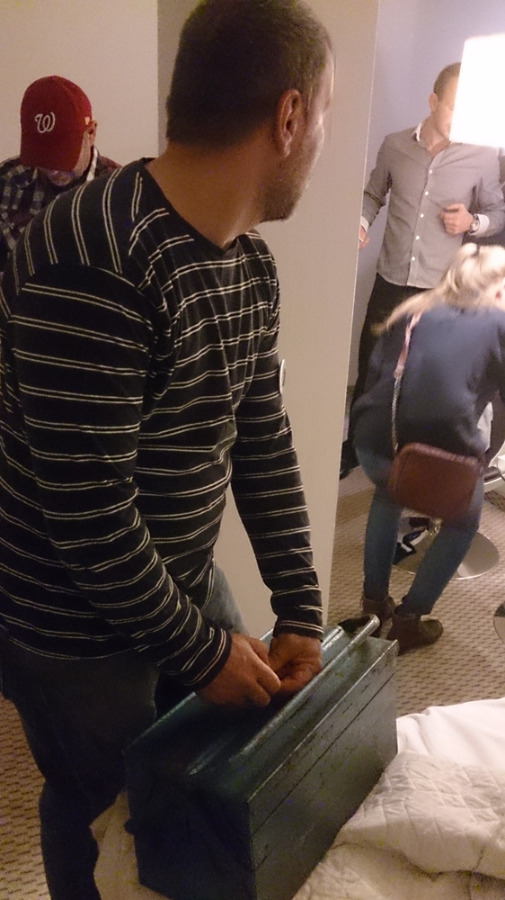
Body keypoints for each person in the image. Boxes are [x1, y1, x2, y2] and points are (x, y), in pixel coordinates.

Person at [0, 1, 333, 898]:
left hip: (174, 579)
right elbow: (88, 515)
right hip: (69, 627)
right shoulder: (92, 252)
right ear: (289, 115)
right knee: (103, 808)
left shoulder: (248, 265)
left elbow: (260, 440)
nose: (321, 141)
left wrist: (301, 610)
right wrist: (202, 652)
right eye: (325, 115)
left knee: (191, 787)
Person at [340, 62, 505, 479]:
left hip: (439, 290)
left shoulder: (484, 155)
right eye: (453, 107)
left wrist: (471, 222)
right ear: (433, 102)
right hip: (391, 278)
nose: (461, 118)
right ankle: (356, 445)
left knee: (424, 376)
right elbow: (372, 194)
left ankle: (410, 456)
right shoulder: (395, 145)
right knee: (373, 365)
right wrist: (361, 223)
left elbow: (497, 212)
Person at [351, 242, 505, 654]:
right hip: (437, 458)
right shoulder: (497, 322)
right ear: (497, 289)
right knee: (462, 523)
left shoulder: (415, 308)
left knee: (388, 497)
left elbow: (377, 376)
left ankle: (372, 608)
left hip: (374, 440)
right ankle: (408, 620)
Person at [0, 74, 119, 276]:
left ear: (91, 133)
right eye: (42, 157)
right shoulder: (7, 180)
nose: (53, 170)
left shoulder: (120, 194)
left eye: (62, 156)